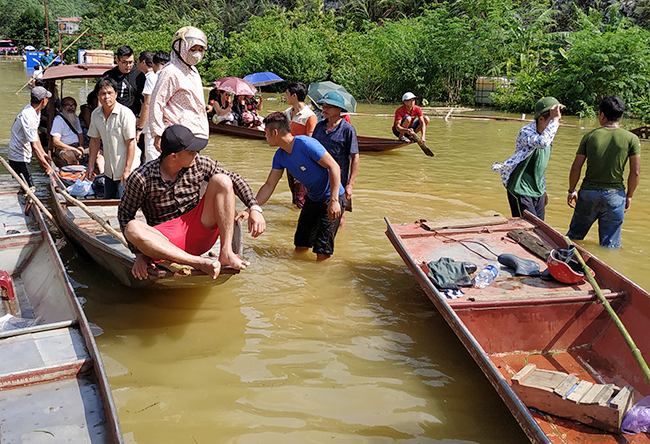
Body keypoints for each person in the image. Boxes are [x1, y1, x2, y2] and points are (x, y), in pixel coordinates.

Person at [118, 124, 266, 279]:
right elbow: (124, 214)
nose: (196, 154)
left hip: (198, 230)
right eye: (190, 152)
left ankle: (226, 252)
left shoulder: (200, 164)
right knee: (132, 228)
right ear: (173, 156)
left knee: (222, 180)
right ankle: (198, 262)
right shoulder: (141, 178)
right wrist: (140, 254)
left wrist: (254, 207)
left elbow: (235, 179)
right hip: (164, 242)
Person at [257, 112, 346, 262]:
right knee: (301, 244)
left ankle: (319, 282)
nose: (265, 137)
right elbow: (269, 185)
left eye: (266, 133)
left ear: (275, 132)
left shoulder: (305, 144)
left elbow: (334, 167)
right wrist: (251, 207)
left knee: (323, 250)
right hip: (312, 199)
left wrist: (334, 200)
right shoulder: (280, 156)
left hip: (331, 197)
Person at [566, 95, 641, 248]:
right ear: (621, 115)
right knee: (610, 246)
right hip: (615, 196)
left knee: (574, 237)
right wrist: (630, 195)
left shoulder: (590, 136)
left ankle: (564, 263)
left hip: (588, 194)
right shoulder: (631, 139)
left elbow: (576, 167)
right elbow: (635, 173)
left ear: (601, 114)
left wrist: (571, 190)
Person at [491, 97, 562, 220]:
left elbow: (540, 166)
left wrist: (543, 190)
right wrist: (555, 121)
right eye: (552, 120)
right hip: (520, 189)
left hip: (537, 189)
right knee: (526, 227)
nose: (556, 124)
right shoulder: (526, 132)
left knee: (540, 228)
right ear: (541, 119)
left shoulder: (548, 135)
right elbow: (542, 142)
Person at [150, 26, 209, 152]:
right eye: (193, 49)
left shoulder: (193, 71)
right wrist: (157, 134)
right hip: (177, 137)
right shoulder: (170, 72)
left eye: (200, 49)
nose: (197, 53)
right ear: (180, 47)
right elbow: (156, 103)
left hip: (196, 134)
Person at [86, 77, 140, 199]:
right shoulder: (96, 114)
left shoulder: (125, 114)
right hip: (109, 170)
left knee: (124, 204)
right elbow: (94, 140)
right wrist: (90, 165)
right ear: (98, 96)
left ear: (116, 94)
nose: (106, 97)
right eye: (103, 94)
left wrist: (127, 170)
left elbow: (131, 143)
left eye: (110, 93)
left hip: (126, 169)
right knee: (108, 201)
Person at [312, 91, 359, 227]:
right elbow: (312, 151)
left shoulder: (347, 130)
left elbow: (355, 156)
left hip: (340, 181)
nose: (324, 109)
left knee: (338, 216)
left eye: (329, 106)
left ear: (339, 109)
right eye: (323, 106)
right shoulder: (319, 127)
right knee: (318, 213)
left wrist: (350, 185)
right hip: (319, 178)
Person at [8, 86, 54, 186]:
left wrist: (43, 153)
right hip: (18, 156)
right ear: (43, 100)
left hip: (24, 154)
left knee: (26, 186)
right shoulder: (28, 115)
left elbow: (35, 134)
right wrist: (46, 166)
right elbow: (34, 146)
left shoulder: (36, 111)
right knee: (29, 189)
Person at [283, 82, 317, 209]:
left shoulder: (309, 116)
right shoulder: (287, 113)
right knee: (294, 195)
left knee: (301, 198)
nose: (285, 97)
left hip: (302, 161)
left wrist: (305, 167)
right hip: (289, 158)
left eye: (287, 94)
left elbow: (310, 143)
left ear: (294, 96)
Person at [103, 45, 146, 120]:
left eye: (131, 62)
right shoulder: (108, 76)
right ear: (117, 60)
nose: (128, 65)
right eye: (124, 62)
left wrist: (140, 119)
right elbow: (101, 97)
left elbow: (145, 101)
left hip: (132, 116)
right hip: (112, 117)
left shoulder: (139, 76)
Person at [137, 51, 159, 162]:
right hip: (160, 123)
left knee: (151, 156)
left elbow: (147, 103)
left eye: (137, 61)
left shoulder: (150, 78)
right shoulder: (159, 75)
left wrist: (139, 127)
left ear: (143, 62)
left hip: (151, 125)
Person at [50, 96, 84, 166]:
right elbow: (56, 141)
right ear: (62, 107)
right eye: (67, 105)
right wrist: (72, 149)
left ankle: (101, 174)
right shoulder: (58, 120)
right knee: (70, 154)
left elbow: (80, 135)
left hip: (76, 146)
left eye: (73, 105)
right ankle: (76, 174)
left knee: (98, 153)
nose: (71, 107)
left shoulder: (76, 118)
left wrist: (81, 146)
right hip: (63, 148)